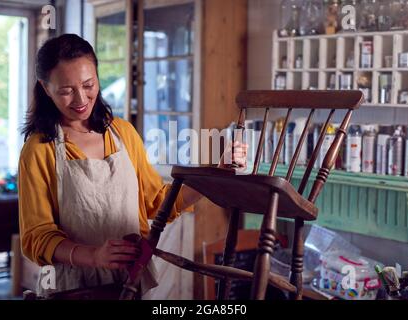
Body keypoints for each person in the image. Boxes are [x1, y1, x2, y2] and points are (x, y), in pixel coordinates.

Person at [18, 34, 247, 297]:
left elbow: (157, 201)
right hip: (72, 288)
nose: (81, 99)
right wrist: (93, 256)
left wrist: (216, 174)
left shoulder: (122, 133)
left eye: (88, 84)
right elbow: (37, 237)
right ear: (46, 89)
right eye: (66, 90)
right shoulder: (39, 150)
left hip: (130, 282)